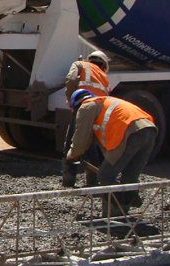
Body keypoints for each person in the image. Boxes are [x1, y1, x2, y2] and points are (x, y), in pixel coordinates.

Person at [66, 89, 156, 217]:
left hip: (131, 132)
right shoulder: (104, 102)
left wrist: (72, 154)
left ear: (75, 106)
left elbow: (80, 141)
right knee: (130, 176)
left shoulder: (86, 106)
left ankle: (113, 213)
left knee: (105, 175)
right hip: (149, 129)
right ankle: (125, 208)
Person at [61, 50, 111, 187]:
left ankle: (68, 181)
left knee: (72, 143)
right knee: (90, 146)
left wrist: (71, 99)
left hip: (83, 107)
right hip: (98, 113)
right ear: (104, 65)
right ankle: (92, 182)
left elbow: (71, 80)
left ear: (90, 59)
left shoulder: (80, 65)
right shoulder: (105, 78)